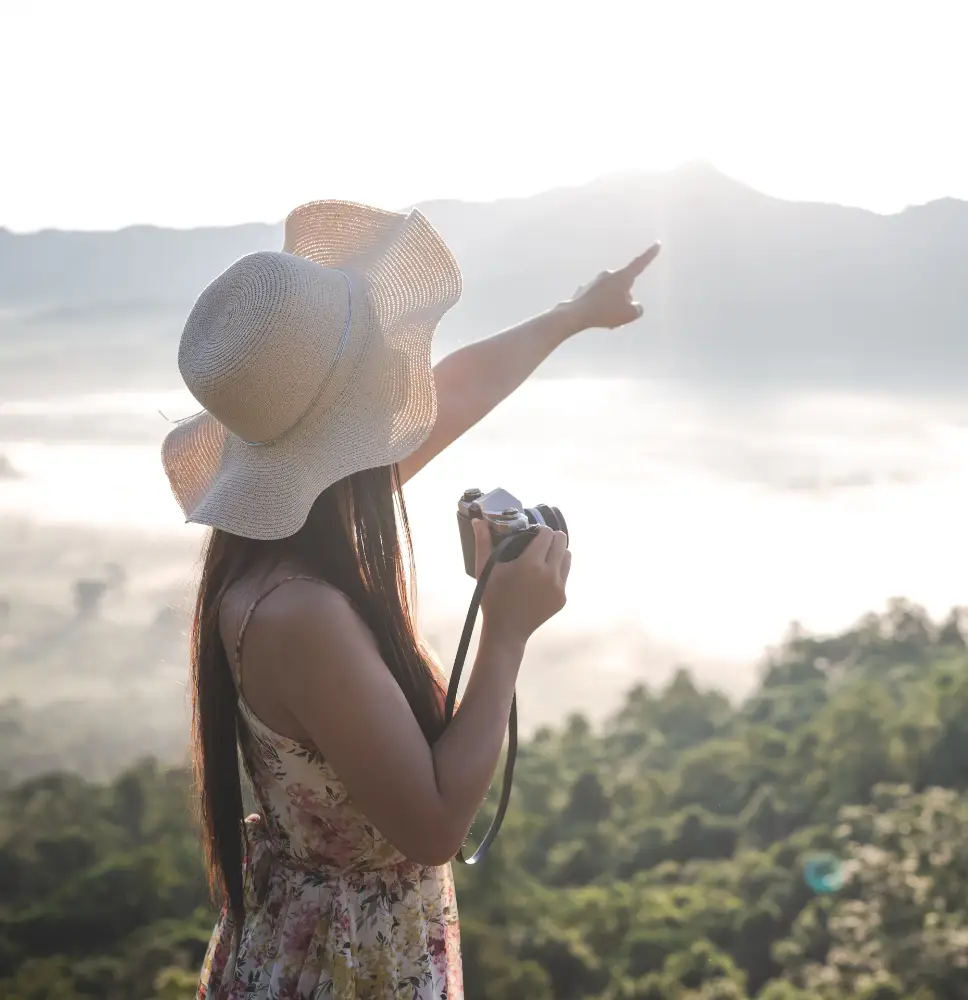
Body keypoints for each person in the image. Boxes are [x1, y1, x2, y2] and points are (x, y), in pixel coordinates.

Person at [161, 199, 658, 999]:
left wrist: (573, 315)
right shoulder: (302, 613)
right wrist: (504, 632)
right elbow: (431, 827)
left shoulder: (285, 536)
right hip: (351, 968)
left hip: (316, 942)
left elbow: (454, 391)